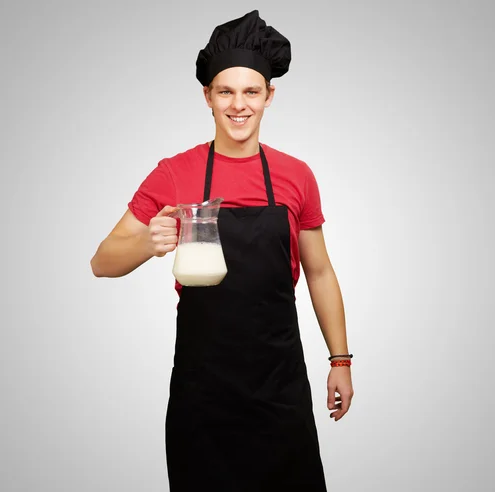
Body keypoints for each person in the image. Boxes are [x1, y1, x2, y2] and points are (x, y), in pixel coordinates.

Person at [91, 10, 354, 492]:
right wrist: (148, 244)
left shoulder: (296, 176)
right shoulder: (175, 172)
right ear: (207, 97)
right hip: (203, 392)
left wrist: (340, 361)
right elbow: (102, 261)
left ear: (269, 96)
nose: (239, 105)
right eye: (226, 92)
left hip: (280, 388)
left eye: (251, 91)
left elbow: (319, 272)